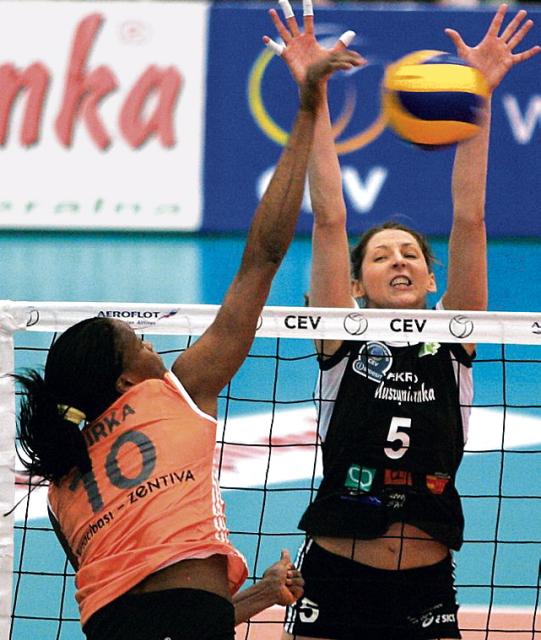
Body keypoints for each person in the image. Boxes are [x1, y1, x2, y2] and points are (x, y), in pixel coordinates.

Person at [13, 46, 363, 640]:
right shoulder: (175, 394)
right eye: (140, 341)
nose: (154, 344)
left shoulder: (60, 488)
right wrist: (307, 110)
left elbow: (153, 600)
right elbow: (263, 257)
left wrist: (261, 595)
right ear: (126, 380)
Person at [263, 2, 540, 639]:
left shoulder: (456, 336)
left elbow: (469, 219)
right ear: (356, 286)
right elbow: (329, 219)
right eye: (382, 256)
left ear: (431, 280)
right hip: (335, 578)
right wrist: (314, 96)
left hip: (425, 586)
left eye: (411, 254)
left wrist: (477, 95)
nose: (400, 261)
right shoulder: (341, 338)